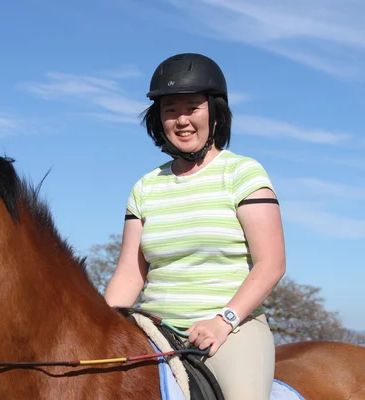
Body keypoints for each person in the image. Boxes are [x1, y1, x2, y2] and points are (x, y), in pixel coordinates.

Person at [104, 53, 286, 400]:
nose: (182, 120)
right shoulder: (145, 187)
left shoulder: (244, 174)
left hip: (232, 331)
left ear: (215, 114)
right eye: (171, 109)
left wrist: (224, 321)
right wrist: (101, 323)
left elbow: (271, 263)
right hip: (154, 329)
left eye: (192, 107)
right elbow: (129, 275)